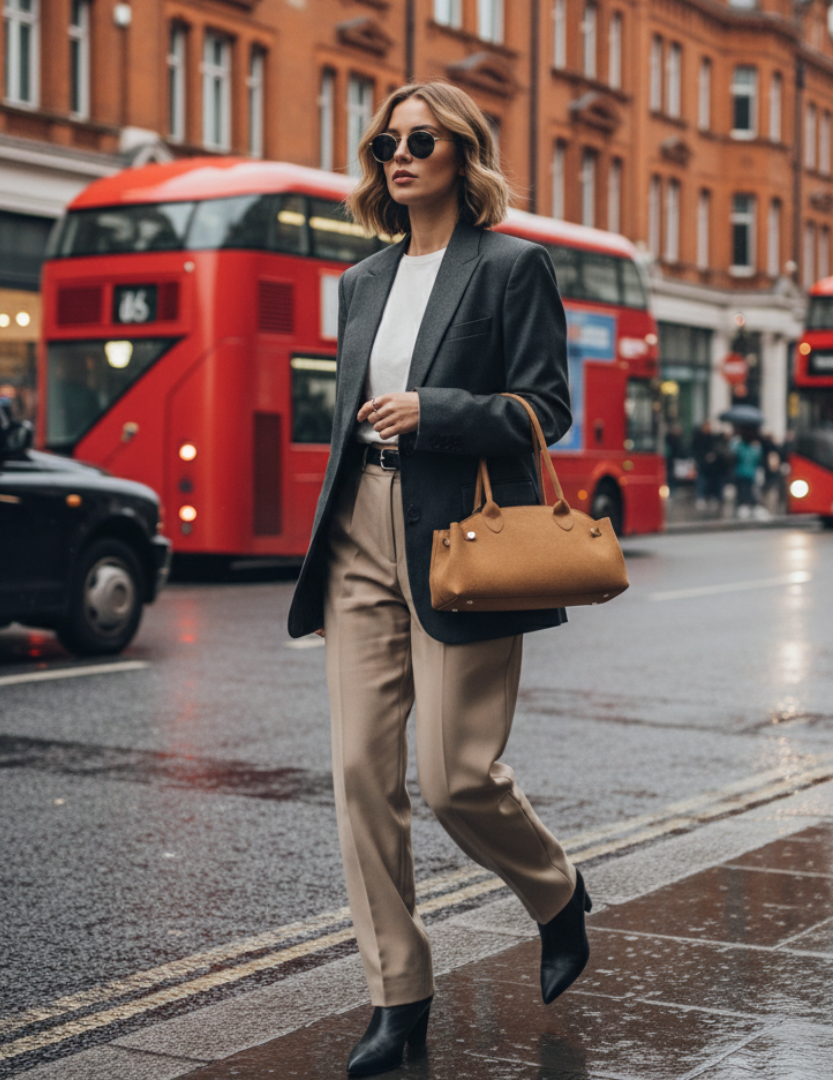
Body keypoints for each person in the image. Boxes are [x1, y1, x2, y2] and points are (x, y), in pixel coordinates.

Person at [287, 81, 591, 1078]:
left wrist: (436, 411)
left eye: (421, 140)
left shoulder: (512, 266)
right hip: (359, 534)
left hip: (461, 537)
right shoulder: (361, 280)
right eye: (387, 142)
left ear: (464, 153)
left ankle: (556, 893)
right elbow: (346, 418)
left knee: (456, 779)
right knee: (361, 780)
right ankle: (397, 994)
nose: (400, 156)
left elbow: (547, 407)